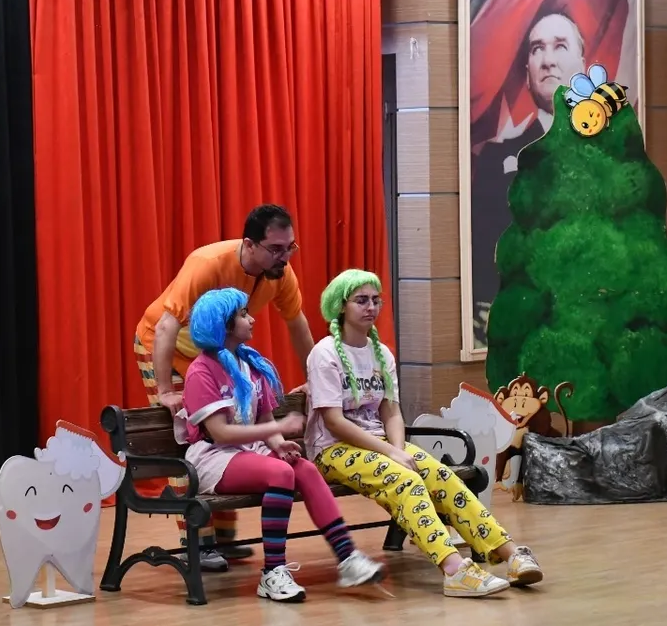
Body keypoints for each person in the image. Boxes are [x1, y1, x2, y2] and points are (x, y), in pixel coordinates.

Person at [304, 268, 544, 598]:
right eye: (361, 300)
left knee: (442, 476)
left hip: (380, 444)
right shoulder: (324, 354)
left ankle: (511, 553)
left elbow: (391, 411)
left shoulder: (381, 353)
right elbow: (333, 422)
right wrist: (393, 454)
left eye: (376, 300)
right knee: (406, 480)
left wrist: (399, 449)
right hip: (334, 449)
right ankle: (454, 570)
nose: (371, 307)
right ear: (341, 306)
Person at [132, 205, 318, 571]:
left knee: (234, 435)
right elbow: (167, 326)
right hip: (164, 347)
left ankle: (225, 539)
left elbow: (297, 324)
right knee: (184, 438)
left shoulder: (280, 273)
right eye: (276, 249)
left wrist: (315, 378)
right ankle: (197, 542)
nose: (284, 257)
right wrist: (166, 389)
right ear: (249, 245)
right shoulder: (207, 263)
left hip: (218, 356)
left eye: (290, 248)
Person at [181, 287, 385, 602]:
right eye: (243, 315)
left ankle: (348, 558)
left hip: (248, 452)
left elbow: (263, 417)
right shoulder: (201, 371)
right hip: (213, 458)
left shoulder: (250, 363)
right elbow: (220, 433)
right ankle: (272, 572)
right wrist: (279, 428)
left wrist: (278, 443)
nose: (251, 319)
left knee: (303, 469)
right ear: (223, 325)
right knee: (280, 474)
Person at [471, 11, 587, 348]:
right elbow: (482, 255)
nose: (548, 60)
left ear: (582, 65)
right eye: (537, 49)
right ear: (527, 74)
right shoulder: (497, 159)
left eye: (560, 46)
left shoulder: (610, 157)